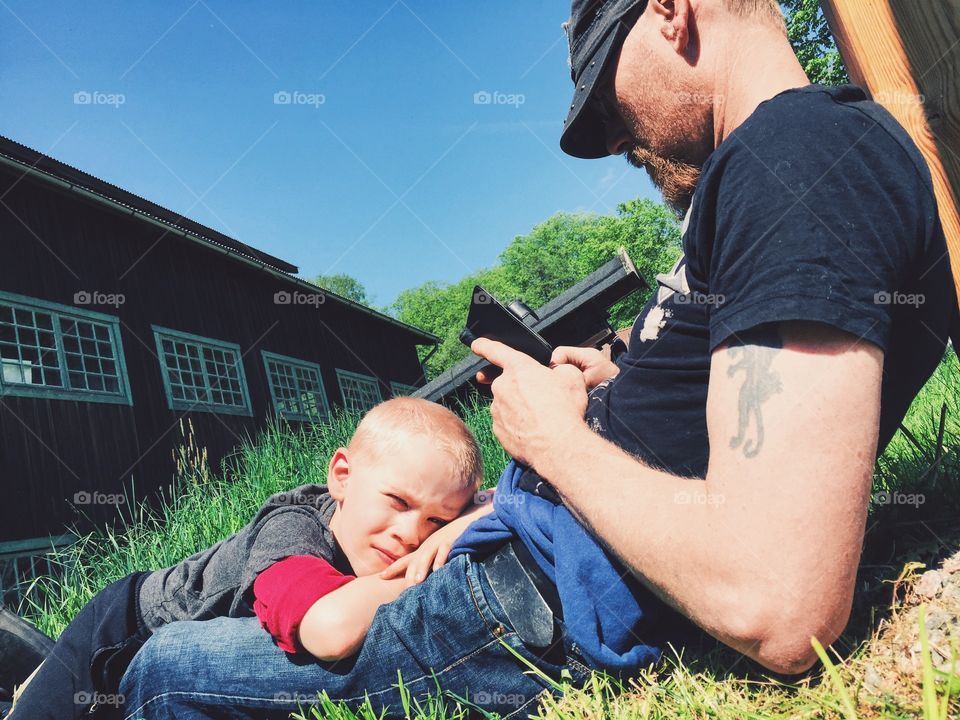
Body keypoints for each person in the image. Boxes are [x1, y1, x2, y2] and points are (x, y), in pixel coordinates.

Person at [113, 1, 958, 718]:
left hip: (525, 600)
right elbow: (734, 421)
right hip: (508, 542)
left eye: (605, 97)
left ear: (670, 9)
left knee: (160, 672)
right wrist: (616, 388)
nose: (618, 136)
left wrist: (553, 440)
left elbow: (778, 600)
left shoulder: (795, 156)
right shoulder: (780, 162)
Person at [7, 397, 487, 720]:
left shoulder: (382, 540)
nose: (411, 535)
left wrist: (477, 517)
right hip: (121, 624)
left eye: (438, 523)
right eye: (399, 502)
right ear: (341, 475)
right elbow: (331, 630)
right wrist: (420, 565)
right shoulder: (292, 529)